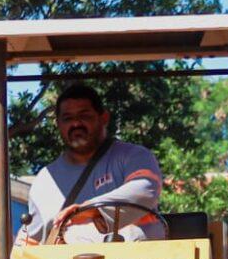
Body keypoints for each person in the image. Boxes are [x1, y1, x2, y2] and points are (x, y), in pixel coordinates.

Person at [15, 83, 167, 248]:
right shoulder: (45, 180)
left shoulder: (133, 156)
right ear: (58, 124)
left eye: (84, 116)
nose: (76, 124)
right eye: (68, 118)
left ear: (104, 118)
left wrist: (90, 210)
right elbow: (31, 242)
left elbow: (145, 189)